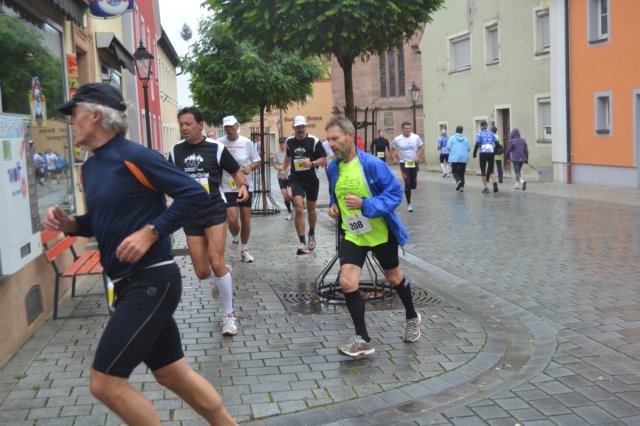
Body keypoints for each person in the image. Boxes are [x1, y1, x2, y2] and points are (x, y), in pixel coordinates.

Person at [45, 83, 236, 425]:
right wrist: (71, 224)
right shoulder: (91, 167)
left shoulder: (135, 156)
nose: (70, 121)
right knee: (172, 375)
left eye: (74, 113)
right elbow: (101, 222)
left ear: (96, 115)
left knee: (105, 383)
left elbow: (194, 194)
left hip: (152, 280)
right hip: (125, 283)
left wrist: (152, 232)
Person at [326, 115, 421, 357]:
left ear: (350, 136)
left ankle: (412, 316)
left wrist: (365, 204)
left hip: (380, 233)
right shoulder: (332, 167)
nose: (331, 144)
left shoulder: (372, 164)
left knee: (394, 277)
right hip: (353, 233)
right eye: (328, 140)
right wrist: (333, 205)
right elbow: (335, 193)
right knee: (347, 282)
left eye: (335, 139)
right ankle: (363, 339)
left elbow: (394, 194)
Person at [170, 107, 248, 336]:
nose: (184, 128)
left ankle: (229, 315)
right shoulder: (175, 151)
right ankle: (223, 273)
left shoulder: (216, 148)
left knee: (216, 260)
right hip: (190, 214)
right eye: (181, 124)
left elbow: (236, 171)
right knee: (203, 272)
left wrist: (243, 186)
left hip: (214, 209)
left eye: (188, 123)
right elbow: (168, 178)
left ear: (201, 124)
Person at [281, 115, 327, 254]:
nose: (300, 129)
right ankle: (302, 243)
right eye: (298, 127)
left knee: (311, 209)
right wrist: (283, 169)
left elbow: (323, 158)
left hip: (312, 179)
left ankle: (311, 233)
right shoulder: (289, 141)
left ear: (306, 126)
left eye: (302, 127)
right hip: (296, 179)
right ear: (293, 127)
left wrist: (311, 163)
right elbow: (288, 156)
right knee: (299, 208)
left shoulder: (314, 141)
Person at [219, 115, 261, 263]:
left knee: (245, 219)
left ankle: (244, 249)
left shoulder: (246, 142)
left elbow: (257, 160)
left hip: (245, 185)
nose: (229, 129)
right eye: (226, 127)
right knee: (232, 219)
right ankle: (236, 239)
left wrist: (250, 167)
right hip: (227, 186)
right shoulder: (219, 143)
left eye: (231, 126)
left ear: (237, 126)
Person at [391, 121, 424, 212]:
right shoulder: (397, 139)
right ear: (402, 129)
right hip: (403, 163)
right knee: (408, 183)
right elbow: (392, 149)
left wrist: (418, 156)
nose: (408, 130)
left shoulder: (415, 137)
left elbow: (421, 148)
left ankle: (412, 186)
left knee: (414, 185)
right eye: (406, 128)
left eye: (409, 128)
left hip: (413, 163)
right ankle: (409, 204)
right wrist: (394, 158)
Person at [473, 121, 499, 194]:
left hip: (483, 153)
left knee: (483, 170)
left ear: (481, 126)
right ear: (487, 126)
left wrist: (474, 153)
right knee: (491, 169)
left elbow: (477, 144)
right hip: (491, 153)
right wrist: (494, 152)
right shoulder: (491, 134)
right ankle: (494, 182)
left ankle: (486, 188)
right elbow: (497, 144)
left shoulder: (479, 134)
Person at [272, 136, 293, 220]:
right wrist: (279, 168)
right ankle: (290, 212)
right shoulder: (277, 153)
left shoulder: (290, 151)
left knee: (289, 194)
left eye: (283, 143)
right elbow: (274, 165)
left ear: (286, 144)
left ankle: (297, 205)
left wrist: (287, 167)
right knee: (285, 196)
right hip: (281, 176)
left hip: (290, 176)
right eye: (280, 143)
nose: (282, 145)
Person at [446, 125, 471, 192]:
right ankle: (462, 187)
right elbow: (469, 148)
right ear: (462, 131)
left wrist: (453, 151)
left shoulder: (452, 138)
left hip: (454, 157)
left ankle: (458, 181)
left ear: (456, 130)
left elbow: (448, 147)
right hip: (464, 157)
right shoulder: (465, 138)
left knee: (454, 171)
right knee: (462, 172)